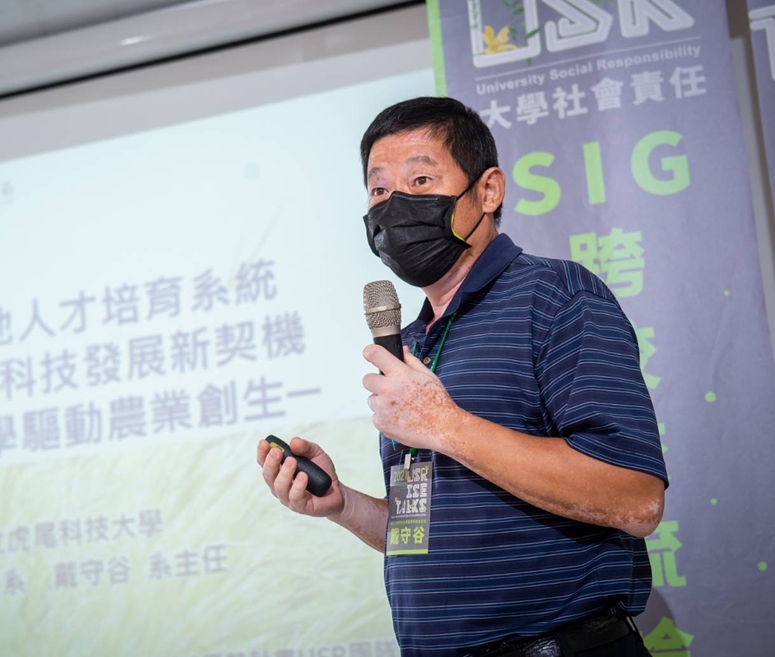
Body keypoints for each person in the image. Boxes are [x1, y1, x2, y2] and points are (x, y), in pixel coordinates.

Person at [256, 97, 667, 657]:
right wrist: (345, 505)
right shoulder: (414, 341)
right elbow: (426, 531)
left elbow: (634, 499)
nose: (395, 204)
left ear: (488, 190)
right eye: (379, 190)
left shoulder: (556, 296)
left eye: (420, 180)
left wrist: (445, 425)